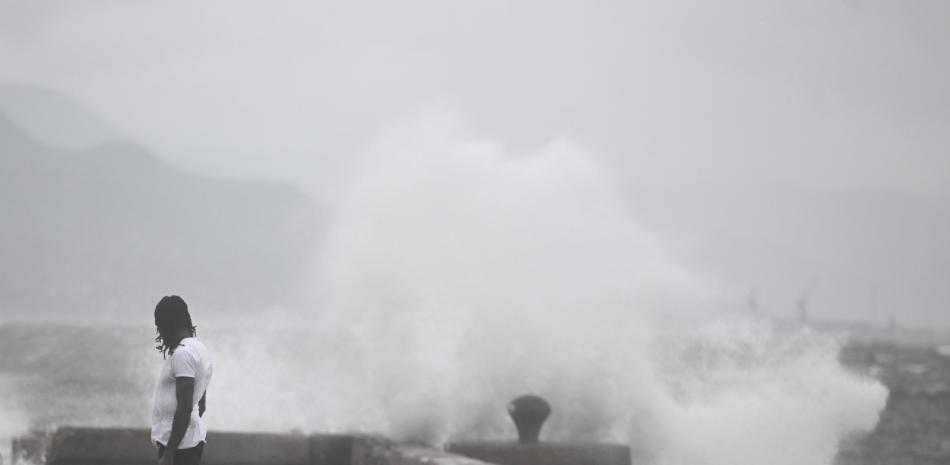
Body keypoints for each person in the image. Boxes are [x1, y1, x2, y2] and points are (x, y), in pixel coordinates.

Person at [151, 296, 213, 465]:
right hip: (188, 443)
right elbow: (201, 404)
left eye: (160, 327)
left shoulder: (183, 354)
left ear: (170, 325)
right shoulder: (199, 348)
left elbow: (185, 406)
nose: (160, 334)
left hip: (179, 449)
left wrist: (169, 454)